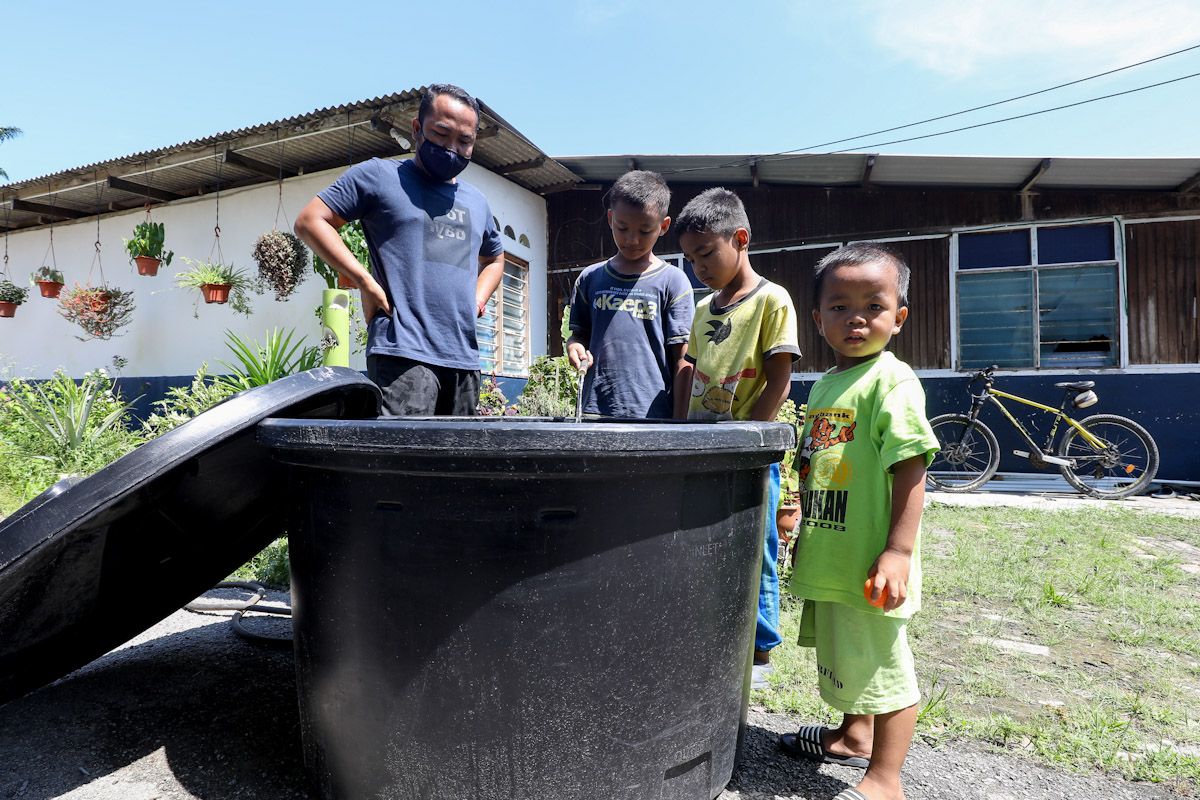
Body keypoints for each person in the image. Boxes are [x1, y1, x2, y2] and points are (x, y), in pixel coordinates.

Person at [779, 243, 939, 800]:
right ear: (818, 318)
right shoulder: (825, 386)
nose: (857, 318)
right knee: (845, 652)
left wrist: (897, 552)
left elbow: (912, 468)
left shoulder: (891, 382)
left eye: (873, 305)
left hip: (872, 559)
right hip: (832, 549)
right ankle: (854, 736)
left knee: (885, 668)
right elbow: (813, 460)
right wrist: (797, 512)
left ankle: (886, 779)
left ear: (898, 318)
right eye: (840, 306)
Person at [294, 83, 506, 416]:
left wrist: (477, 300)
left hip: (463, 358)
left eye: (465, 141)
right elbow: (311, 221)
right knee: (405, 464)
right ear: (417, 129)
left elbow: (495, 258)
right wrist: (365, 282)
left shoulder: (476, 201)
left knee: (455, 466)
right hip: (403, 353)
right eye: (441, 134)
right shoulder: (380, 176)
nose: (453, 148)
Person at [672, 187, 800, 689]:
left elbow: (780, 375)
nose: (699, 267)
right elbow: (691, 364)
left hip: (750, 455)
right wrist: (682, 430)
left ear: (740, 238)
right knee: (708, 542)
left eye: (706, 254)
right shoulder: (704, 309)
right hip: (706, 449)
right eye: (690, 259)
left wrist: (756, 443)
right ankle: (715, 631)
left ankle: (760, 646)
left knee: (758, 544)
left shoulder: (772, 300)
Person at [566, 170, 694, 418]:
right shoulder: (590, 279)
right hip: (595, 413)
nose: (632, 239)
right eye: (622, 228)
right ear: (611, 218)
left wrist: (680, 425)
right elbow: (578, 336)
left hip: (653, 416)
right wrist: (575, 348)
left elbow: (683, 361)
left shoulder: (674, 282)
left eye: (645, 231)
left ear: (663, 226)